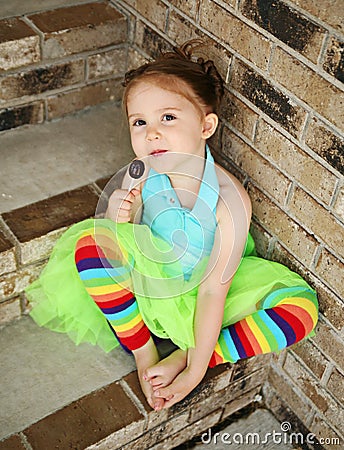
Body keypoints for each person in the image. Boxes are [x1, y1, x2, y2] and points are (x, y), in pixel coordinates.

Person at [26, 40, 318, 412]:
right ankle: (144, 352)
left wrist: (193, 371)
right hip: (155, 284)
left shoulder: (229, 200)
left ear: (205, 124)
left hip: (211, 291)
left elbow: (215, 291)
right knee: (90, 246)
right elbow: (121, 235)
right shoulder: (142, 173)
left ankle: (189, 354)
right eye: (140, 122)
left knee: (299, 310)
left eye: (168, 118)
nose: (152, 134)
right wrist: (120, 211)